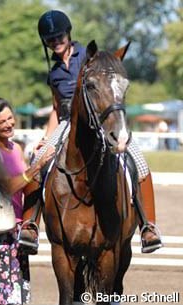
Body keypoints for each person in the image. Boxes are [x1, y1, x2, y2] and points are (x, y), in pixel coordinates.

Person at [22, 10, 162, 255]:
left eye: (59, 37)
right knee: (38, 160)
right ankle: (30, 224)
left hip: (98, 121)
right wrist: (46, 137)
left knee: (139, 163)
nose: (56, 43)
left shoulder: (88, 57)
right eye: (50, 40)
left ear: (69, 34)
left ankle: (147, 226)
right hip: (68, 123)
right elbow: (57, 108)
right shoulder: (54, 72)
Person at [0, 97, 55, 305]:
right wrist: (36, 166)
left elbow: (25, 183)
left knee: (16, 295)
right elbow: (8, 186)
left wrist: (36, 159)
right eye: (1, 122)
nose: (8, 124)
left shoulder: (16, 148)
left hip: (17, 230)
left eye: (10, 118)